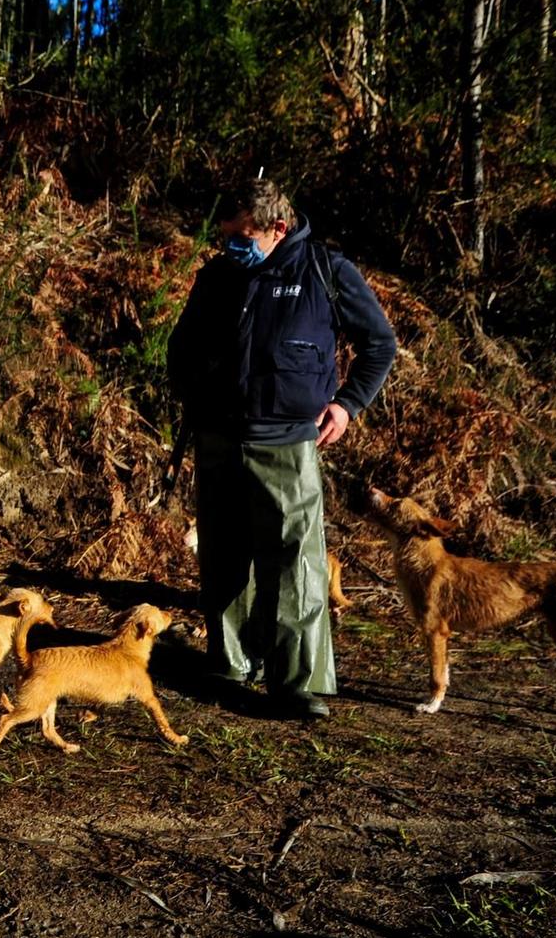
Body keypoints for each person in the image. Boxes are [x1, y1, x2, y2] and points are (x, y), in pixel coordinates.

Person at [166, 177, 397, 720]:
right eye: (226, 237)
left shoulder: (325, 271)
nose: (231, 247)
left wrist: (347, 404)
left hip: (288, 441)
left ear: (277, 228)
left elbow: (378, 344)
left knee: (295, 560)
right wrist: (195, 392)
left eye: (241, 236)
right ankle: (229, 662)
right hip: (219, 439)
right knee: (223, 553)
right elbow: (182, 346)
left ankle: (296, 681)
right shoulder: (218, 275)